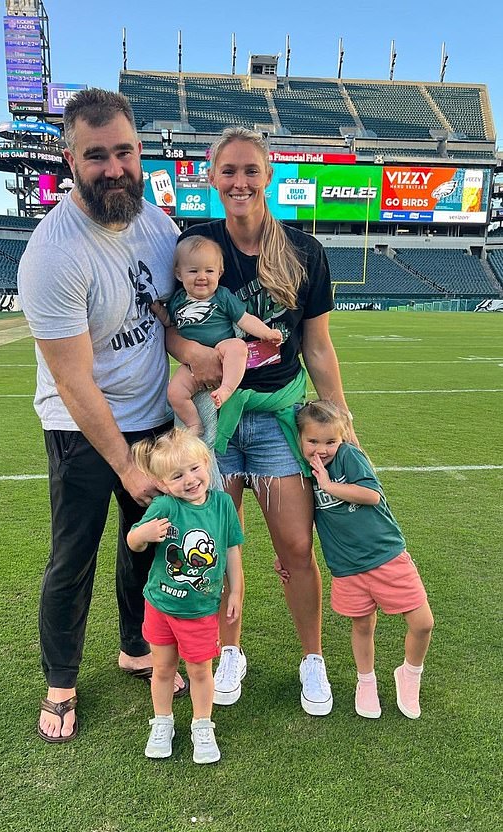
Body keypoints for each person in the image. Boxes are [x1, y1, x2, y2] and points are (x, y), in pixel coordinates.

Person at [18, 88, 188, 743]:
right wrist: (124, 462)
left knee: (143, 549)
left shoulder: (157, 223)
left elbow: (166, 318)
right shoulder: (54, 252)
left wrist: (209, 359)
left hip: (153, 421)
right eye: (96, 156)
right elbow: (72, 378)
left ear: (139, 151)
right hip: (81, 429)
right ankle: (61, 681)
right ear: (70, 160)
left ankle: (135, 647)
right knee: (74, 557)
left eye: (123, 151)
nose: (113, 167)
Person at [172, 126, 358, 714]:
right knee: (212, 542)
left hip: (279, 417)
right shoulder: (194, 243)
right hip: (214, 418)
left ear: (268, 175)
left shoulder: (304, 251)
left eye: (250, 170)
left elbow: (318, 346)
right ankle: (230, 652)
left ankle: (313, 660)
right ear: (211, 176)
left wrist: (340, 418)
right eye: (228, 171)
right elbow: (169, 324)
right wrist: (197, 358)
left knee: (296, 548)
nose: (240, 181)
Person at [295, 401, 434, 719]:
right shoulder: (303, 471)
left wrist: (329, 484)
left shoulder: (349, 456)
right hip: (347, 568)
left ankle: (409, 675)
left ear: (341, 438)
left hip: (386, 556)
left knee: (423, 623)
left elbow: (372, 495)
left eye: (331, 441)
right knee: (362, 625)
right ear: (300, 439)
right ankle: (366, 681)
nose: (323, 449)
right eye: (313, 441)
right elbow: (303, 518)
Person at [126, 429, 244, 763]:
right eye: (177, 476)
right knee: (163, 669)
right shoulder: (164, 505)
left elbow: (232, 550)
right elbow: (134, 541)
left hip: (201, 610)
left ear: (207, 463)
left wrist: (236, 590)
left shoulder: (222, 505)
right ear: (163, 483)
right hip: (161, 605)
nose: (189, 480)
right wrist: (143, 533)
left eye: (194, 469)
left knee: (200, 672)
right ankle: (162, 722)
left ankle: (202, 726)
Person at [152, 235, 282, 434]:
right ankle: (194, 424)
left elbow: (244, 319)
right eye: (193, 271)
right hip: (192, 365)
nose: (202, 276)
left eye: (209, 271)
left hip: (222, 352)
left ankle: (226, 388)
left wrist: (266, 333)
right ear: (179, 274)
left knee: (238, 346)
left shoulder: (222, 296)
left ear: (220, 273)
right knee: (175, 393)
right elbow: (170, 323)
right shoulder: (177, 300)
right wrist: (158, 310)